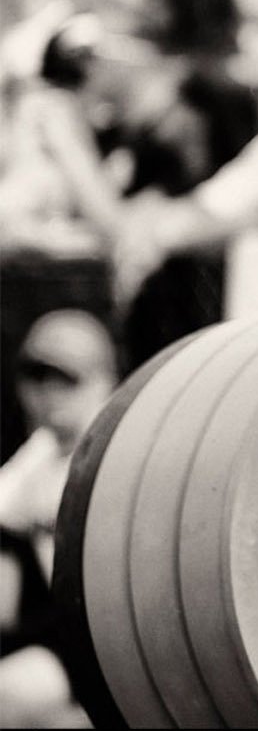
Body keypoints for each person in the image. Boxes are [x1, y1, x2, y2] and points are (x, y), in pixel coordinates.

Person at [0, 311, 117, 729]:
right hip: (52, 630)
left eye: (66, 379)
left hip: (105, 640)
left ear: (103, 382)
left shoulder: (116, 451)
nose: (48, 393)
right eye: (37, 377)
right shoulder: (40, 453)